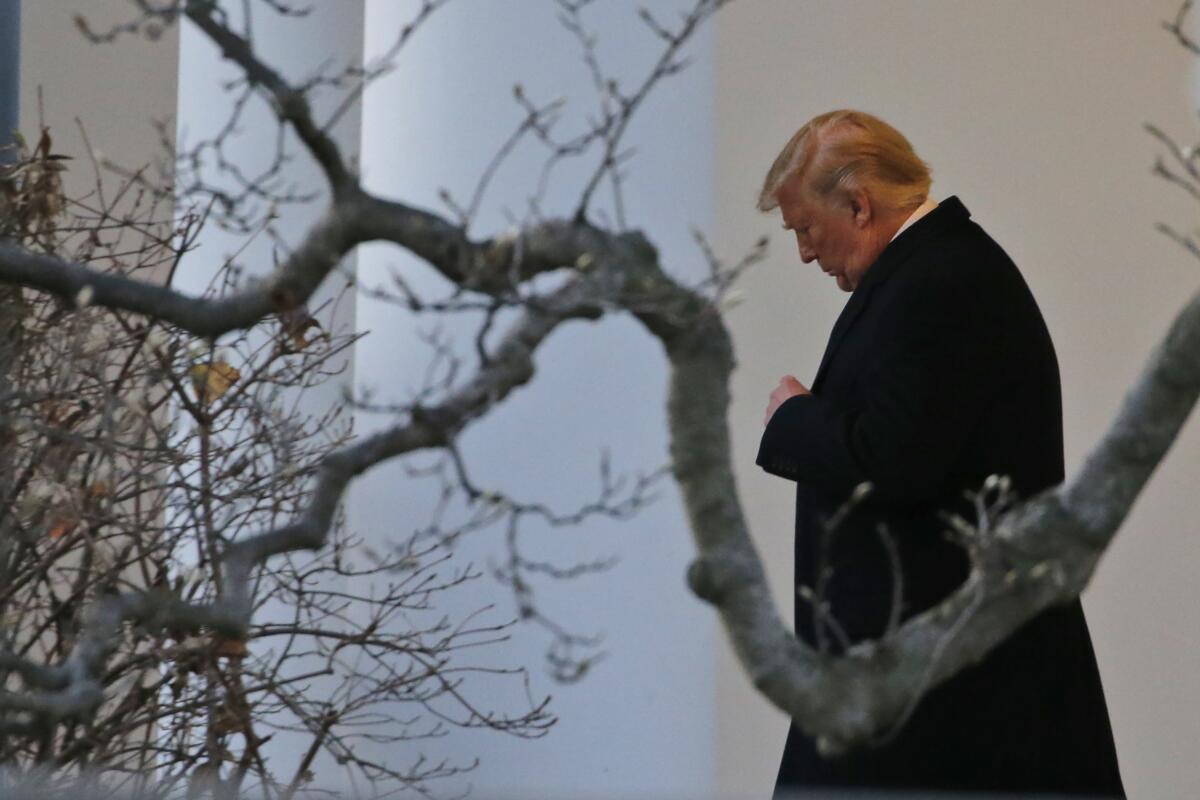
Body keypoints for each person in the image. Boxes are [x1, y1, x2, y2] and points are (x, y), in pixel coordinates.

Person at [755, 110, 1125, 797]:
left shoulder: (940, 285)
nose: (805, 252)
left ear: (860, 205)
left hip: (943, 697)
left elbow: (893, 460)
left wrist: (796, 418)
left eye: (805, 228)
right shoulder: (935, 274)